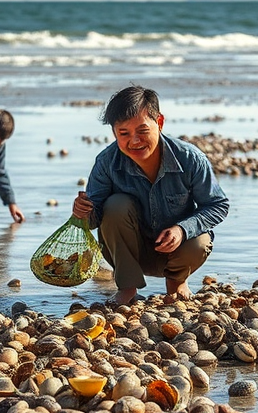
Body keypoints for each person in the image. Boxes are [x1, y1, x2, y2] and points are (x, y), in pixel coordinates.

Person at [72, 86, 229, 305]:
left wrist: (182, 230)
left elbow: (218, 205)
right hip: (129, 254)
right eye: (124, 133)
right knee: (116, 204)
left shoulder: (190, 158)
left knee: (201, 241)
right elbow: (93, 221)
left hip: (178, 250)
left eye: (142, 130)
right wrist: (83, 213)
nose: (134, 141)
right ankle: (127, 288)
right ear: (114, 133)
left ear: (160, 122)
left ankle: (176, 282)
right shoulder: (107, 162)